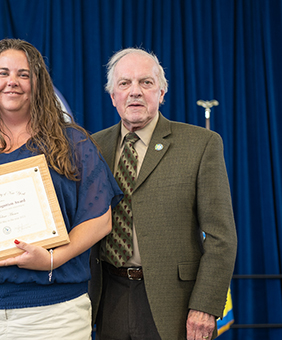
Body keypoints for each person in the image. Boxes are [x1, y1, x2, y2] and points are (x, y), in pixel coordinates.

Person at [0, 38, 123, 339]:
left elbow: (100, 220)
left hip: (56, 314)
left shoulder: (73, 143)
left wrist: (53, 258)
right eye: (3, 73)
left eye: (24, 74)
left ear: (38, 83)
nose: (12, 82)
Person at [89, 47, 238, 340]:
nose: (135, 92)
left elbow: (221, 238)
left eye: (146, 82)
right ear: (112, 96)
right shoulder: (93, 147)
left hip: (176, 305)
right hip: (108, 296)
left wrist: (205, 306)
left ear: (161, 92)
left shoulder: (201, 144)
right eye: (124, 83)